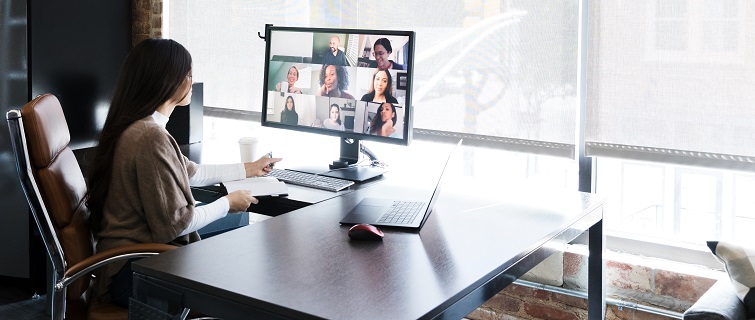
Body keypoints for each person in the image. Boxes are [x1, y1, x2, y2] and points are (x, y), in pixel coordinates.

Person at [86, 38, 281, 308]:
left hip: (132, 257)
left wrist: (249, 168)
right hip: (133, 271)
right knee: (242, 245)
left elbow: (192, 173)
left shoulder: (143, 125)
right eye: (188, 75)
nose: (192, 81)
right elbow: (175, 224)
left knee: (239, 223)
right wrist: (227, 202)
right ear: (166, 81)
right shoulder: (149, 137)